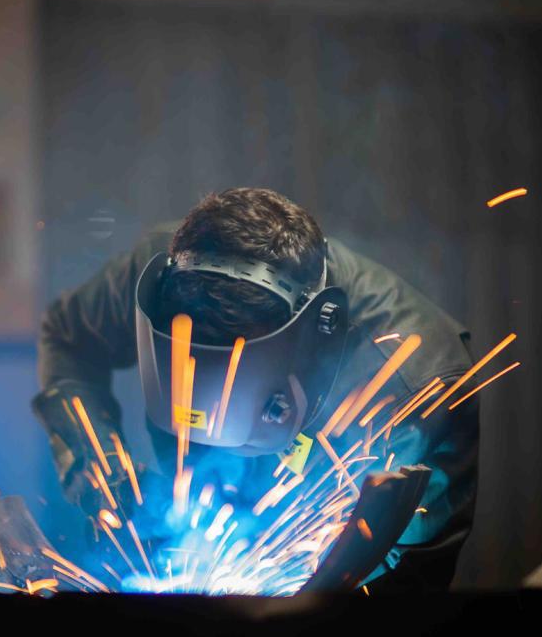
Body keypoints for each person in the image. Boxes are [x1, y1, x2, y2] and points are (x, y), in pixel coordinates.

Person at [32, 188, 478, 589]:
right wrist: (103, 473)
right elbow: (69, 340)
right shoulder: (159, 280)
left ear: (313, 341)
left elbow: (386, 578)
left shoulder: (414, 389)